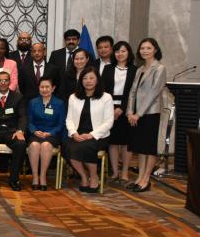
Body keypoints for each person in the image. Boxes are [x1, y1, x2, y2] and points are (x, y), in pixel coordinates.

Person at [126, 38, 166, 192]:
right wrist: (130, 111)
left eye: (148, 48)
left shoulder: (159, 68)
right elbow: (133, 92)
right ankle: (139, 177)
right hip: (136, 113)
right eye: (142, 48)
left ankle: (146, 179)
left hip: (150, 113)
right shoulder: (140, 69)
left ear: (155, 50)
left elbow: (153, 93)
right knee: (140, 147)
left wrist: (138, 113)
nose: (145, 51)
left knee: (149, 147)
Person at [65, 66, 114, 193]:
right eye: (85, 78)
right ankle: (83, 176)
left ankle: (93, 176)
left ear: (97, 80)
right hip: (77, 134)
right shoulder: (73, 97)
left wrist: (91, 135)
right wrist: (74, 133)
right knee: (67, 147)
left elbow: (109, 122)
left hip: (98, 136)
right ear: (81, 80)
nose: (88, 81)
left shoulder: (106, 97)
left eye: (91, 78)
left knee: (86, 146)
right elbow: (69, 119)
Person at [102, 41, 137, 185]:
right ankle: (115, 172)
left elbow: (133, 92)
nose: (120, 54)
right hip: (109, 106)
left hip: (127, 107)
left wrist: (122, 108)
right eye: (117, 51)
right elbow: (103, 89)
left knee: (126, 142)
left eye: (123, 51)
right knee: (113, 142)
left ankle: (124, 173)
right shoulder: (108, 69)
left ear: (128, 53)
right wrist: (111, 108)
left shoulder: (135, 70)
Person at [26, 77, 65, 190]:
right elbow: (29, 121)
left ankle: (42, 176)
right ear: (39, 88)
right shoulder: (33, 102)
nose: (44, 89)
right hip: (36, 134)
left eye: (47, 87)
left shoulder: (59, 103)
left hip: (52, 135)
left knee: (46, 145)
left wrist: (50, 133)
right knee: (34, 145)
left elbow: (61, 123)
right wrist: (34, 131)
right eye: (42, 87)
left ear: (53, 88)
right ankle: (35, 177)